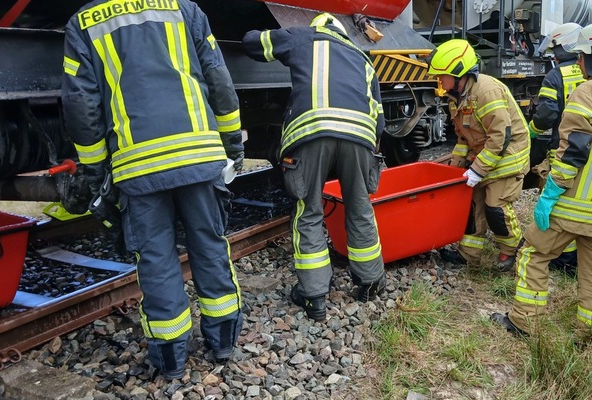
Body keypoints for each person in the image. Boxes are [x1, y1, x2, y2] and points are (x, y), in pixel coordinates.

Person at [62, 0, 245, 379]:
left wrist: (96, 169)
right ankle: (224, 342)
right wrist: (232, 142)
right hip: (198, 155)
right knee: (210, 246)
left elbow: (82, 104)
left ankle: (171, 361)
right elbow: (218, 78)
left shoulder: (84, 22)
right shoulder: (186, 9)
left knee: (157, 260)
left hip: (138, 165)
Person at [491, 22, 592, 336]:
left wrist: (551, 192)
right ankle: (591, 334)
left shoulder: (588, 92)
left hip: (571, 206)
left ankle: (524, 323)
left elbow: (575, 148)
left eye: (581, 55)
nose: (578, 62)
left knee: (532, 255)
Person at [241, 13, 386, 321]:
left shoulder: (302, 37)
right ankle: (371, 283)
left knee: (308, 213)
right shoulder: (362, 59)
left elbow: (254, 44)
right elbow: (380, 118)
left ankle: (314, 297)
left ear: (317, 28)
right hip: (360, 138)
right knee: (360, 209)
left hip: (310, 135)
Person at [429, 39, 531, 271]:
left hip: (508, 156)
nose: (440, 82)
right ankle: (468, 255)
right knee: (472, 205)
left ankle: (511, 252)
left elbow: (500, 137)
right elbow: (464, 137)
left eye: (442, 76)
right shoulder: (456, 98)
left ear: (458, 73)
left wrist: (477, 170)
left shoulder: (487, 92)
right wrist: (455, 168)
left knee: (495, 207)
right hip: (486, 155)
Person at [529, 22, 585, 274]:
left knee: (560, 203)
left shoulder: (556, 76)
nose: (553, 54)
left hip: (562, 147)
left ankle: (564, 258)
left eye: (555, 48)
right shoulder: (590, 71)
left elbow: (547, 114)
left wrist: (533, 129)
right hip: (590, 146)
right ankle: (580, 255)